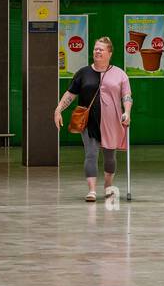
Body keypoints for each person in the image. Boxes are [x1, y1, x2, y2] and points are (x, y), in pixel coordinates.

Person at [54, 36, 132, 203]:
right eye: (96, 48)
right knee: (91, 154)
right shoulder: (83, 73)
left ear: (109, 53)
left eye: (101, 49)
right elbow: (70, 94)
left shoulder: (120, 74)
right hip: (88, 121)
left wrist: (127, 112)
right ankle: (91, 191)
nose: (97, 51)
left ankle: (108, 186)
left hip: (112, 121)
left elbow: (126, 96)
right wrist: (59, 109)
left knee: (110, 156)